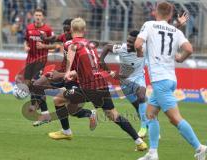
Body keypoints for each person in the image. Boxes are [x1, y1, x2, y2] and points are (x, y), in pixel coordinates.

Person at [41, 17, 148, 151]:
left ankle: (66, 131)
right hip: (101, 83)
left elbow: (70, 67)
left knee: (58, 100)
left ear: (71, 30)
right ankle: (139, 142)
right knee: (113, 115)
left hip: (88, 87)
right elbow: (89, 67)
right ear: (84, 30)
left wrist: (63, 74)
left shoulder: (70, 44)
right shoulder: (90, 45)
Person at [134, 2, 207, 160]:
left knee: (175, 118)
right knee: (150, 114)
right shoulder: (175, 30)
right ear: (171, 14)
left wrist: (140, 52)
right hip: (170, 79)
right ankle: (153, 153)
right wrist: (180, 58)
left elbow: (138, 43)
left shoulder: (149, 25)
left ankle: (199, 147)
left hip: (160, 81)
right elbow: (189, 48)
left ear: (155, 12)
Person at [32, 19, 97, 140]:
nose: (66, 33)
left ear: (73, 30)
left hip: (74, 79)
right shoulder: (65, 38)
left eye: (68, 30)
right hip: (62, 74)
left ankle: (89, 113)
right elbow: (54, 39)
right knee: (37, 84)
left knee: (72, 111)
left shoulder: (79, 44)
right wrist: (45, 37)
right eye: (65, 30)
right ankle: (46, 115)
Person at [100, 30, 148, 138]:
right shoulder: (122, 48)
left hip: (139, 78)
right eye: (128, 41)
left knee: (141, 96)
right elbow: (107, 47)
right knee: (137, 106)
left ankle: (144, 128)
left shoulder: (145, 49)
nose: (129, 44)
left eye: (132, 42)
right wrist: (101, 59)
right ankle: (150, 125)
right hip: (125, 82)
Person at [22, 8, 56, 126]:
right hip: (29, 60)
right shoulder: (29, 28)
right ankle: (33, 104)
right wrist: (25, 47)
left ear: (43, 17)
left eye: (39, 15)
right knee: (29, 84)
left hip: (40, 61)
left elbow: (54, 46)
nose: (37, 17)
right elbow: (26, 41)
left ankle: (45, 113)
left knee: (36, 84)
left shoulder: (47, 30)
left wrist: (43, 46)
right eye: (36, 15)